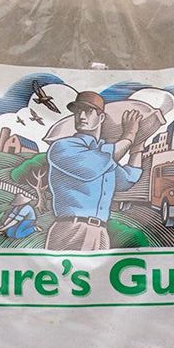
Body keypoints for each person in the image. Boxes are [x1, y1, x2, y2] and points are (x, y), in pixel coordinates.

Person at [45, 92, 147, 251]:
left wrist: (137, 148)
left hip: (100, 232)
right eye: (78, 111)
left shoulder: (104, 153)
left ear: (101, 118)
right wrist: (129, 136)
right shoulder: (62, 147)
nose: (81, 116)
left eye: (88, 111)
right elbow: (93, 166)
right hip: (70, 228)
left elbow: (127, 179)